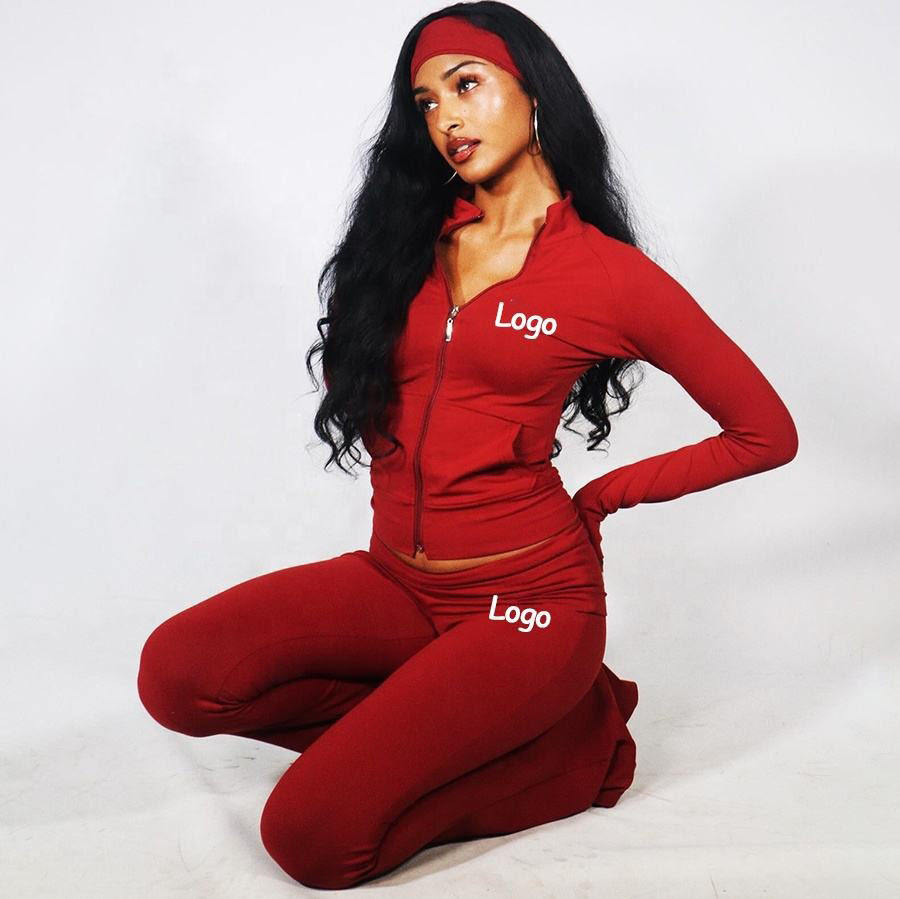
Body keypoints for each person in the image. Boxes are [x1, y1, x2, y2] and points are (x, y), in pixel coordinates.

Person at [137, 3, 798, 889]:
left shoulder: (611, 276)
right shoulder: (406, 240)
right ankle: (458, 730)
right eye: (426, 102)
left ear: (535, 92)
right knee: (178, 677)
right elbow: (375, 384)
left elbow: (765, 432)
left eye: (466, 84)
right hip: (395, 581)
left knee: (311, 839)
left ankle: (570, 747)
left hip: (527, 608)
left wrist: (606, 494)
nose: (446, 116)